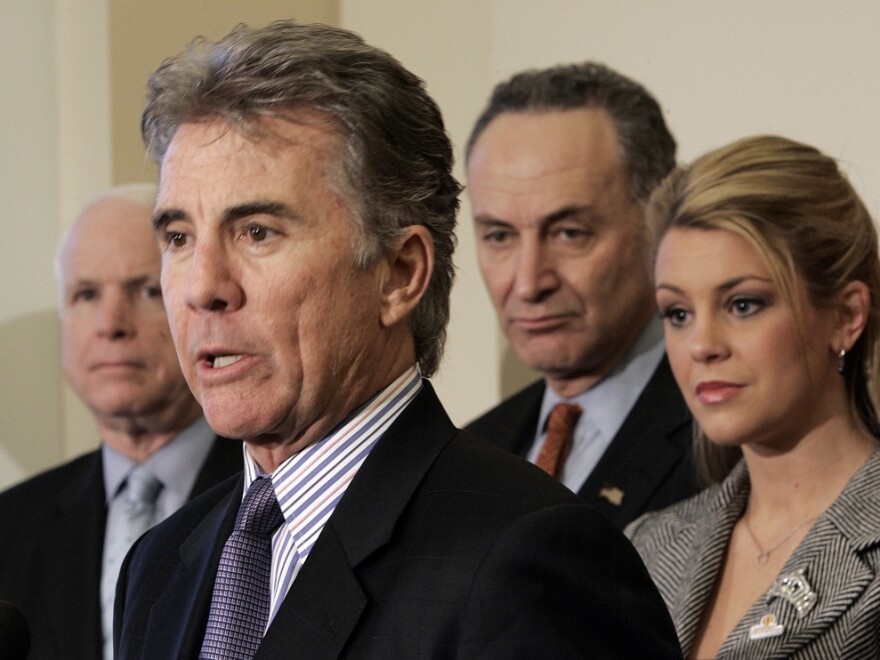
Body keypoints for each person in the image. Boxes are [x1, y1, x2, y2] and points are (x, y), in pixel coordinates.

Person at [113, 21, 683, 659]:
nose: (202, 288)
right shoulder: (160, 565)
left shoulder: (524, 556)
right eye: (179, 238)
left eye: (258, 232)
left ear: (399, 273)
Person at [626, 135, 880, 658]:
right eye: (677, 313)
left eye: (743, 304)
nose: (701, 346)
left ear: (846, 316)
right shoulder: (645, 547)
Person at [0, 184, 241, 660]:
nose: (111, 323)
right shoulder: (9, 527)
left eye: (146, 290)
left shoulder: (276, 497)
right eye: (86, 294)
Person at [465, 62, 698, 528]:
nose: (529, 283)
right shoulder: (467, 455)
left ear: (657, 224)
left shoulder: (731, 434)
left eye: (570, 233)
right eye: (499, 236)